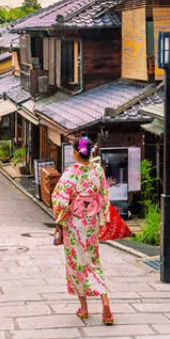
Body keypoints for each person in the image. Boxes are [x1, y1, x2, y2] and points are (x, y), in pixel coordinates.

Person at [51, 135, 114, 325]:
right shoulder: (98, 171)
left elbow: (59, 199)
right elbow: (103, 195)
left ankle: (84, 308)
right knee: (93, 262)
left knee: (77, 264)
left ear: (76, 153)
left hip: (74, 224)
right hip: (91, 222)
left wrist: (60, 218)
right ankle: (105, 304)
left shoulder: (71, 173)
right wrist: (102, 218)